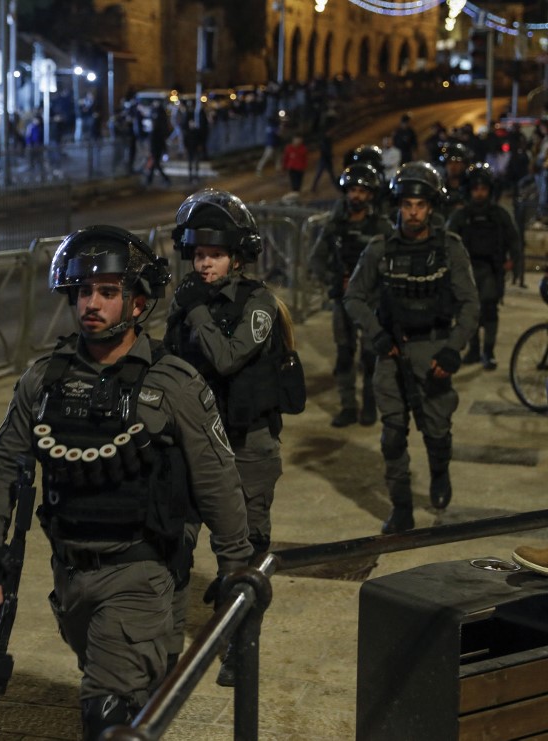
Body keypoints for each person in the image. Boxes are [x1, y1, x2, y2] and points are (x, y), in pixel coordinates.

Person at [0, 225, 251, 739]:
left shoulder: (174, 383)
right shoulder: (44, 381)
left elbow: (218, 481)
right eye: (82, 292)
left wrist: (235, 571)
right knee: (139, 700)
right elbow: (5, 463)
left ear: (138, 304)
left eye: (107, 292)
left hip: (138, 573)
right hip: (70, 577)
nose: (90, 304)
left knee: (106, 712)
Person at [164, 189, 291, 595]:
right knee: (175, 531)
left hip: (247, 441)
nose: (203, 264)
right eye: (199, 254)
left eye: (214, 255)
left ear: (235, 258)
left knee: (247, 542)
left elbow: (228, 358)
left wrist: (196, 309)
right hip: (196, 437)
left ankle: (239, 621)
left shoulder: (259, 303)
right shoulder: (188, 300)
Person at [343, 161, 479, 534]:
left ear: (431, 207)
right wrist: (376, 335)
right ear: (398, 206)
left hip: (434, 350)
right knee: (392, 434)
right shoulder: (380, 249)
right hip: (392, 354)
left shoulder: (449, 248)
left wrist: (453, 349)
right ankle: (401, 506)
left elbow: (470, 303)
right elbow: (353, 297)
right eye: (407, 205)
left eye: (420, 205)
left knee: (436, 431)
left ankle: (439, 472)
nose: (413, 212)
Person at [308, 164, 394, 427]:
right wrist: (332, 280)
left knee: (370, 357)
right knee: (344, 355)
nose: (356, 196)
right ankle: (348, 406)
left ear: (371, 195)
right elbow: (316, 259)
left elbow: (394, 263)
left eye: (362, 191)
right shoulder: (336, 226)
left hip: (371, 304)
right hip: (342, 302)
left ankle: (369, 404)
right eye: (352, 190)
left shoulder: (382, 227)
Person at [446, 162, 519, 371]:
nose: (479, 194)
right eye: (475, 189)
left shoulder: (499, 215)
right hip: (466, 271)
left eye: (483, 189)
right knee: (469, 313)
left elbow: (513, 240)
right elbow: (448, 241)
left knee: (489, 311)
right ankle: (474, 349)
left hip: (491, 270)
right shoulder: (461, 216)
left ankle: (488, 351)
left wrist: (513, 263)